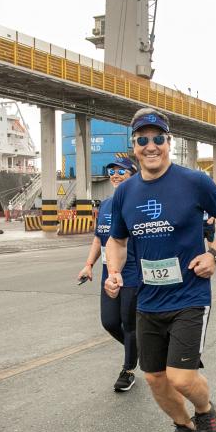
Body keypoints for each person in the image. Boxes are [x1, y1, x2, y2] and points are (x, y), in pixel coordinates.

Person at [104, 107, 216, 432]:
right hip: (149, 299)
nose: (151, 146)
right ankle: (185, 428)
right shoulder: (125, 192)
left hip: (189, 296)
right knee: (154, 378)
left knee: (181, 377)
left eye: (158, 138)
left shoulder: (193, 181)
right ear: (134, 145)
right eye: (143, 140)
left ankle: (205, 412)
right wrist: (114, 271)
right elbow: (116, 240)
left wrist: (214, 253)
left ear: (169, 142)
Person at [78, 157, 140, 392]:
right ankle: (139, 349)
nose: (115, 175)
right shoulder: (105, 205)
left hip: (132, 273)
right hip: (109, 273)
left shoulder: (139, 204)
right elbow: (99, 238)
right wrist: (89, 265)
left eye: (121, 171)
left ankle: (128, 369)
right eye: (112, 171)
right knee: (110, 322)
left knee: (129, 324)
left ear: (133, 175)